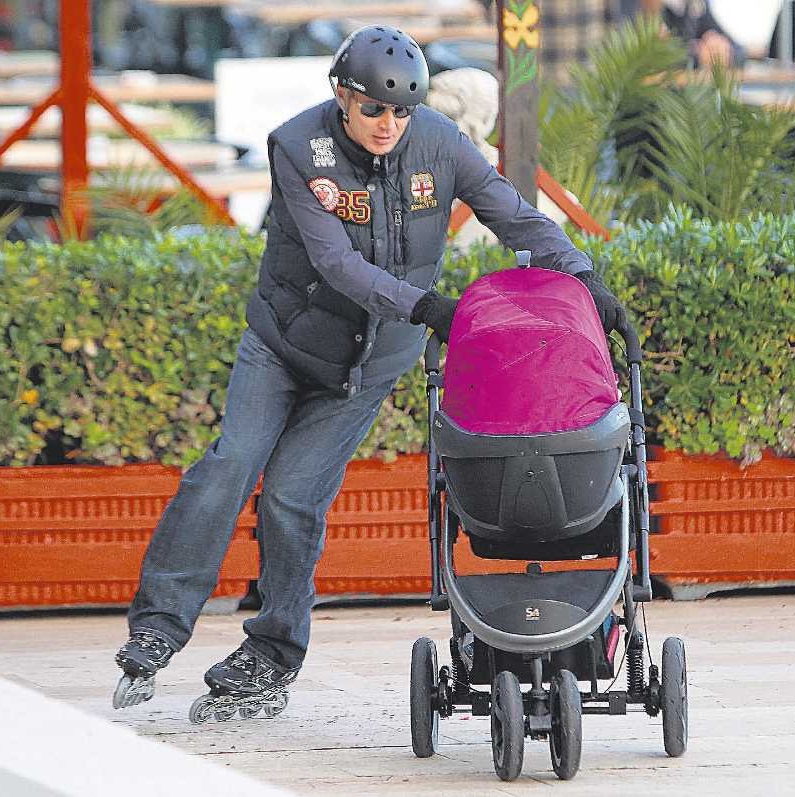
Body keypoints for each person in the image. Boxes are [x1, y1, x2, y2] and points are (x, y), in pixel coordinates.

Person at [111, 23, 625, 721]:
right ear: (341, 96)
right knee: (231, 464)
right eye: (374, 108)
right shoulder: (298, 147)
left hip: (370, 364)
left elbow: (512, 213)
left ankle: (273, 651)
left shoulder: (440, 144)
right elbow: (335, 263)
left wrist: (583, 275)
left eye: (401, 110)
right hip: (283, 349)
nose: (388, 124)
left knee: (293, 498)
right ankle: (158, 628)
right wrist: (425, 305)